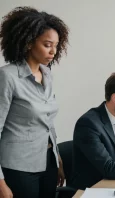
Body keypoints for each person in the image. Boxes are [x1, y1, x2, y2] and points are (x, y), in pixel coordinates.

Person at [0, 6, 69, 198]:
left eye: (56, 45)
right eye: (48, 45)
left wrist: (57, 159)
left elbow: (47, 121)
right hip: (18, 166)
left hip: (47, 162)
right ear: (29, 42)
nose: (53, 51)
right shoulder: (8, 77)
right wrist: (0, 183)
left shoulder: (47, 74)